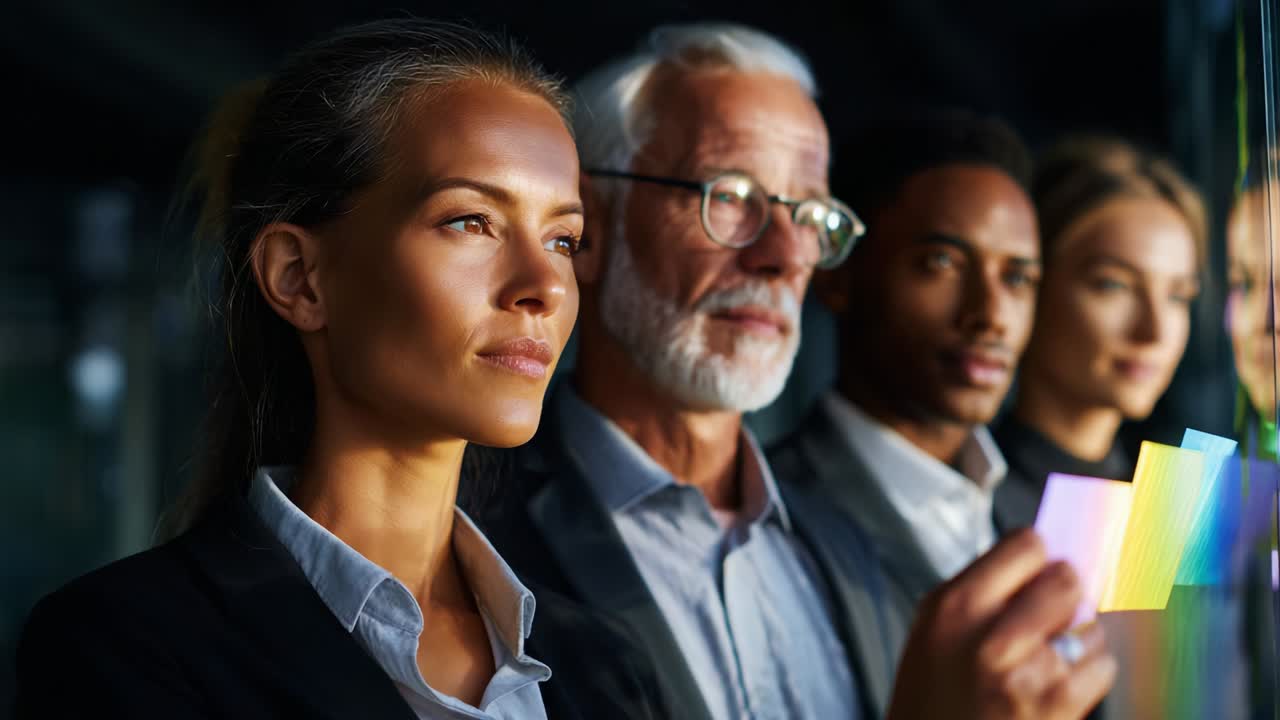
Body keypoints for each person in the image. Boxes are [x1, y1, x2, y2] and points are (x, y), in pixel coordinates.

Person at [14, 19, 653, 720]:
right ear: (300, 277)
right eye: (471, 221)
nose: (546, 286)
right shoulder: (124, 648)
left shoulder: (609, 666)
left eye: (564, 238)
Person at [479, 30, 1114, 720]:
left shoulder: (843, 538)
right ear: (590, 230)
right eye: (729, 196)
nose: (783, 256)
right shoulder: (474, 539)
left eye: (810, 214)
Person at [767, 106, 1045, 647]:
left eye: (1017, 278)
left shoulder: (1033, 513)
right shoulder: (766, 517)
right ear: (838, 276)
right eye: (940, 263)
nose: (989, 314)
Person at [992, 137, 1204, 527]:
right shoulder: (960, 505)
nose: (1154, 332)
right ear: (1031, 284)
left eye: (1178, 296)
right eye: (1113, 285)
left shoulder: (1177, 515)